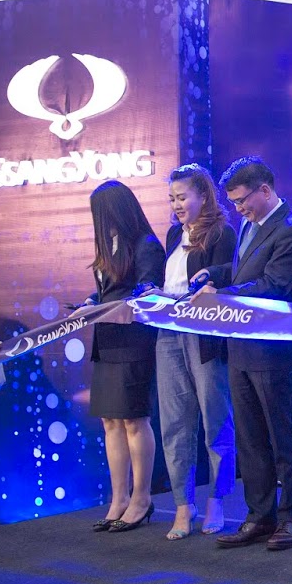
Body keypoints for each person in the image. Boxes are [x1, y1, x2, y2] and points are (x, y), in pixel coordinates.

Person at [192, 156, 292, 552]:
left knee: (283, 438)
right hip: (241, 348)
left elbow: (273, 285)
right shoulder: (249, 225)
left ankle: (291, 518)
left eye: (242, 200)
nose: (238, 208)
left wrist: (221, 294)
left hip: (275, 351)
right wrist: (215, 275)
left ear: (265, 189)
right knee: (250, 439)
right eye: (233, 202)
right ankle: (259, 516)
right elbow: (245, 271)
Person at [157, 164, 237, 540]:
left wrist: (211, 278)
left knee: (215, 419)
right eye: (171, 198)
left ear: (203, 196)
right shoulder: (174, 233)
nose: (176, 205)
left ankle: (216, 500)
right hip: (168, 332)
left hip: (204, 336)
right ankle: (182, 505)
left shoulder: (222, 232)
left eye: (182, 197)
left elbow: (231, 273)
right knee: (174, 422)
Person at [87, 180, 167, 533]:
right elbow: (107, 291)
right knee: (110, 422)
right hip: (106, 342)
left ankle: (141, 498)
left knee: (134, 420)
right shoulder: (109, 247)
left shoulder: (146, 244)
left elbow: (148, 294)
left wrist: (107, 306)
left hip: (133, 343)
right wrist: (90, 303)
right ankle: (118, 498)